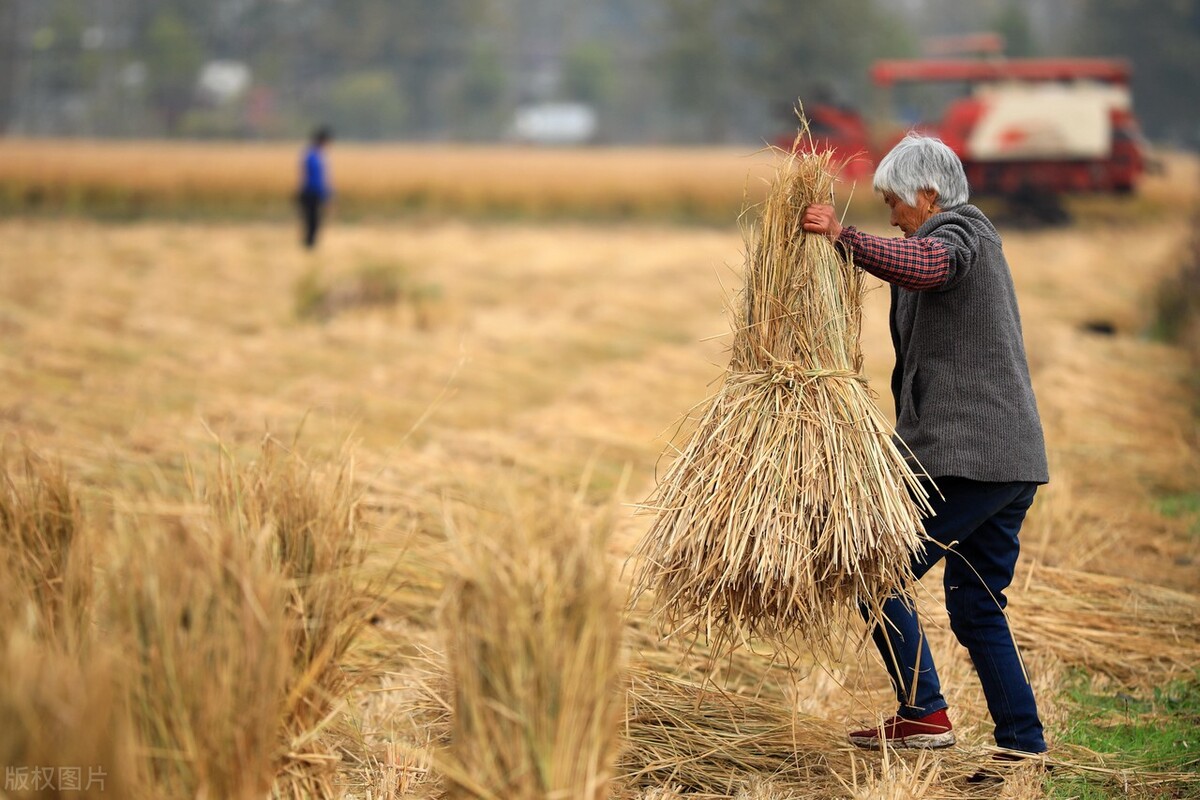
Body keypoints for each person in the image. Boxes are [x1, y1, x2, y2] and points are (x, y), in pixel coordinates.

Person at [800, 132, 1050, 758]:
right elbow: (912, 267)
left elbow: (930, 267)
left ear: (930, 194)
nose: (891, 216)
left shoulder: (963, 235)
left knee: (870, 567)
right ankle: (1023, 743)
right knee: (976, 607)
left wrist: (844, 238)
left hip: (971, 459)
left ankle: (924, 712)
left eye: (895, 203)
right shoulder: (943, 239)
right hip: (1004, 461)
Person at [298, 126, 333, 249]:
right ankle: (310, 245)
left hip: (310, 192)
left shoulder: (312, 154)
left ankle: (310, 245)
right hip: (312, 193)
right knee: (312, 220)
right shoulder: (315, 157)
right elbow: (316, 179)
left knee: (313, 220)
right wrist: (326, 195)